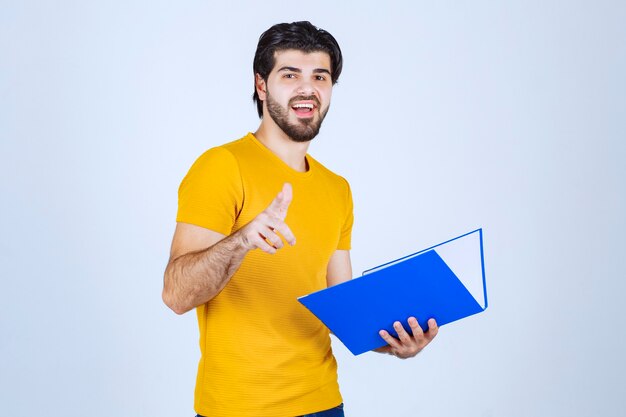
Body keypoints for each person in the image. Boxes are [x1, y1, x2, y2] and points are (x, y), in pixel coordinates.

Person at [162, 21, 439, 417]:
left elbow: (342, 308)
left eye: (319, 76)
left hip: (324, 403)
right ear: (262, 86)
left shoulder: (337, 188)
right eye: (290, 75)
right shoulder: (222, 166)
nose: (307, 88)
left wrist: (397, 341)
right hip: (238, 407)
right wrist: (242, 240)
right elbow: (176, 294)